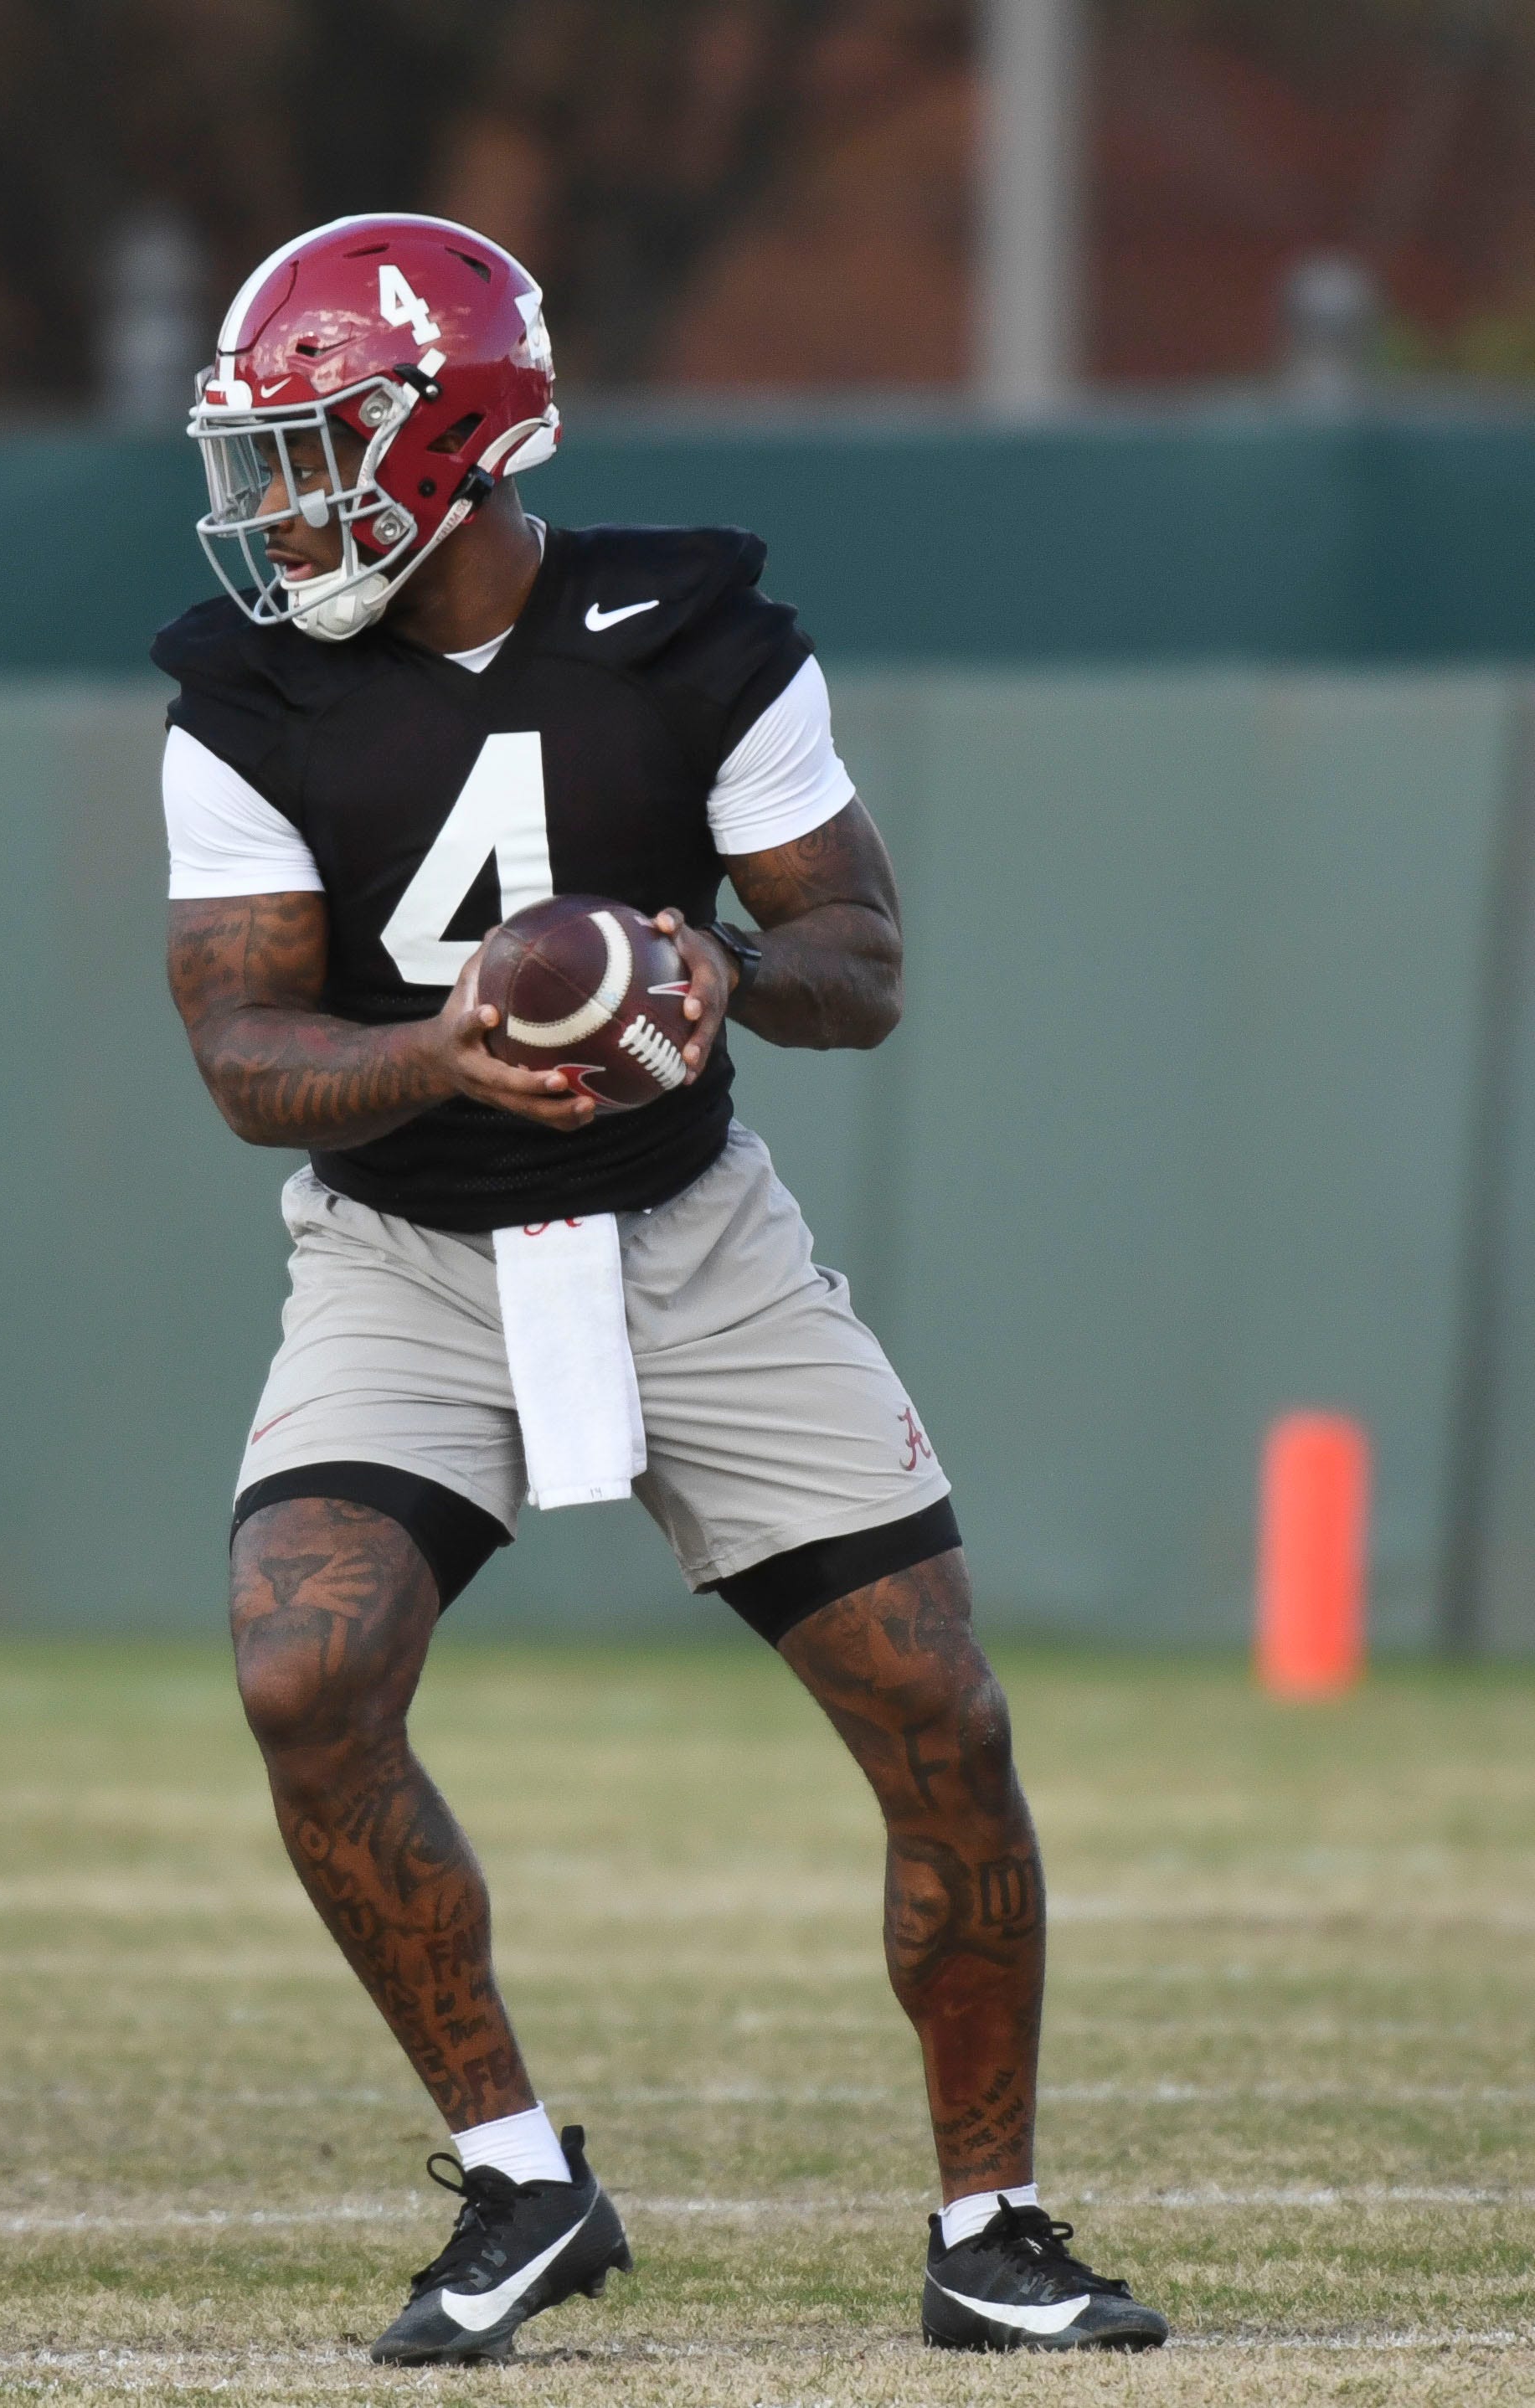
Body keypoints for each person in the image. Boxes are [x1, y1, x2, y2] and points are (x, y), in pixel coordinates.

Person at [158, 215, 1169, 2362]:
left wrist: (721, 967)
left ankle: (987, 2223)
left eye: (315, 446)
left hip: (689, 1239)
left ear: (454, 436)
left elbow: (863, 968)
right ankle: (521, 2179)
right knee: (297, 1669)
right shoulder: (245, 700)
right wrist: (440, 1051)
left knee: (939, 1717)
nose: (275, 506)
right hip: (403, 1251)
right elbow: (248, 1057)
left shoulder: (690, 635)